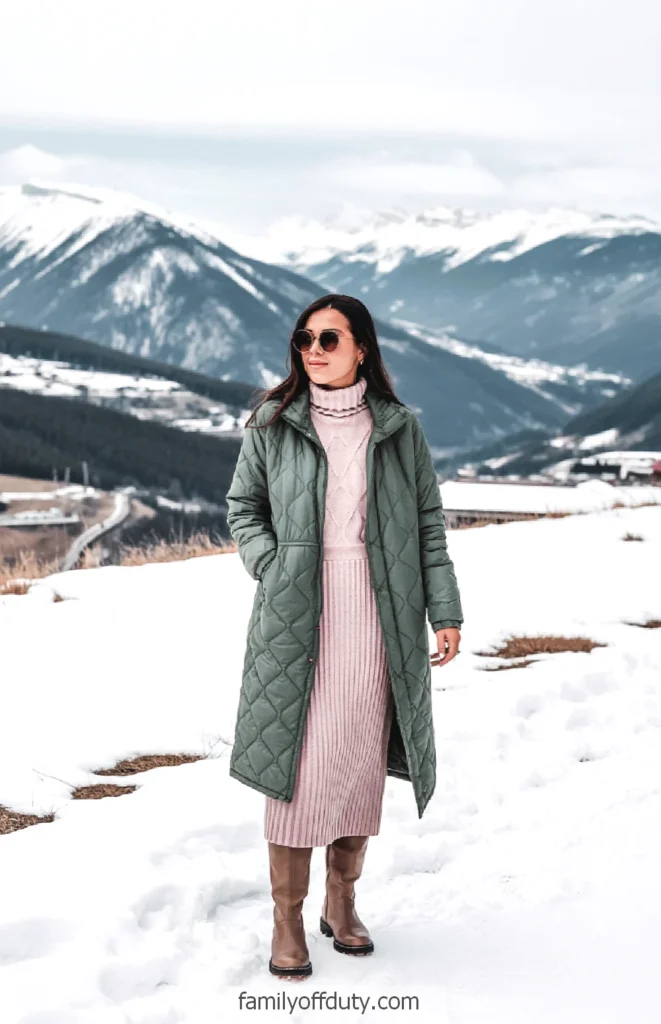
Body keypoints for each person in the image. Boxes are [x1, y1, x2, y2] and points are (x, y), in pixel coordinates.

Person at [225, 294, 463, 981]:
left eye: (329, 337)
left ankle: (340, 900)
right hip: (297, 609)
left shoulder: (396, 429)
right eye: (303, 338)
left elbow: (427, 528)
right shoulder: (271, 423)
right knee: (295, 764)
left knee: (359, 756)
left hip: (379, 609)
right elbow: (243, 506)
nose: (314, 349)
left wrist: (444, 612)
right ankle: (285, 918)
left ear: (362, 348)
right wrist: (270, 563)